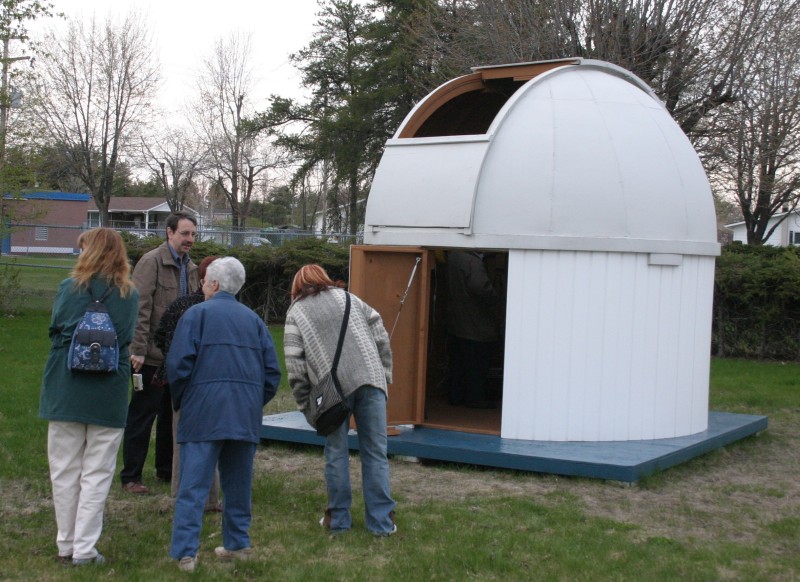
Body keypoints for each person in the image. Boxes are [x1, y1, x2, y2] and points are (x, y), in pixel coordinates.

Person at [166, 257, 281, 573]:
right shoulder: (254, 321)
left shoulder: (196, 315)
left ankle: (186, 554)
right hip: (243, 413)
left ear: (214, 284)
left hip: (202, 412)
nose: (203, 286)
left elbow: (178, 365)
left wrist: (183, 400)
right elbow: (272, 372)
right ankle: (237, 544)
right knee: (238, 484)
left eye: (205, 281)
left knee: (193, 486)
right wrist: (253, 401)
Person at [39, 228, 139, 566]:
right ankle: (85, 549)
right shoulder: (128, 294)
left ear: (90, 251)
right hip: (109, 392)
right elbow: (125, 337)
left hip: (65, 389)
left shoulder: (69, 287)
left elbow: (56, 330)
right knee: (97, 473)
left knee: (64, 471)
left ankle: (66, 544)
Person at [284, 264, 396, 537]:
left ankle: (339, 521)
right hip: (370, 379)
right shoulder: (350, 298)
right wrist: (384, 373)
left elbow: (295, 367)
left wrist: (307, 406)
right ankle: (381, 524)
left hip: (332, 391)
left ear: (297, 287)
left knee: (336, 453)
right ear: (324, 279)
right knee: (376, 452)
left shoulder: (296, 312)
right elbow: (380, 332)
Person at [120, 212, 199, 495]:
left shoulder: (191, 267)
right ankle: (131, 476)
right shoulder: (151, 262)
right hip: (151, 357)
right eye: (185, 233)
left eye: (193, 234)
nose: (190, 239)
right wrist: (138, 350)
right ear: (169, 232)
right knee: (142, 416)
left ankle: (166, 471)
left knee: (170, 417)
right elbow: (139, 308)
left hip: (178, 358)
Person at [152, 255, 221, 511]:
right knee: (198, 441)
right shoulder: (189, 308)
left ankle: (192, 497)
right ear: (205, 281)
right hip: (195, 383)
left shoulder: (185, 306)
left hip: (189, 383)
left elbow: (162, 338)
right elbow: (165, 338)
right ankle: (193, 497)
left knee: (188, 440)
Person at [445, 250, 500, 408]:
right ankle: (475, 398)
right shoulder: (471, 261)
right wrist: (495, 297)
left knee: (458, 363)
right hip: (474, 323)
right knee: (476, 364)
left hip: (457, 321)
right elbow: (480, 287)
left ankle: (456, 397)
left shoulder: (453, 256)